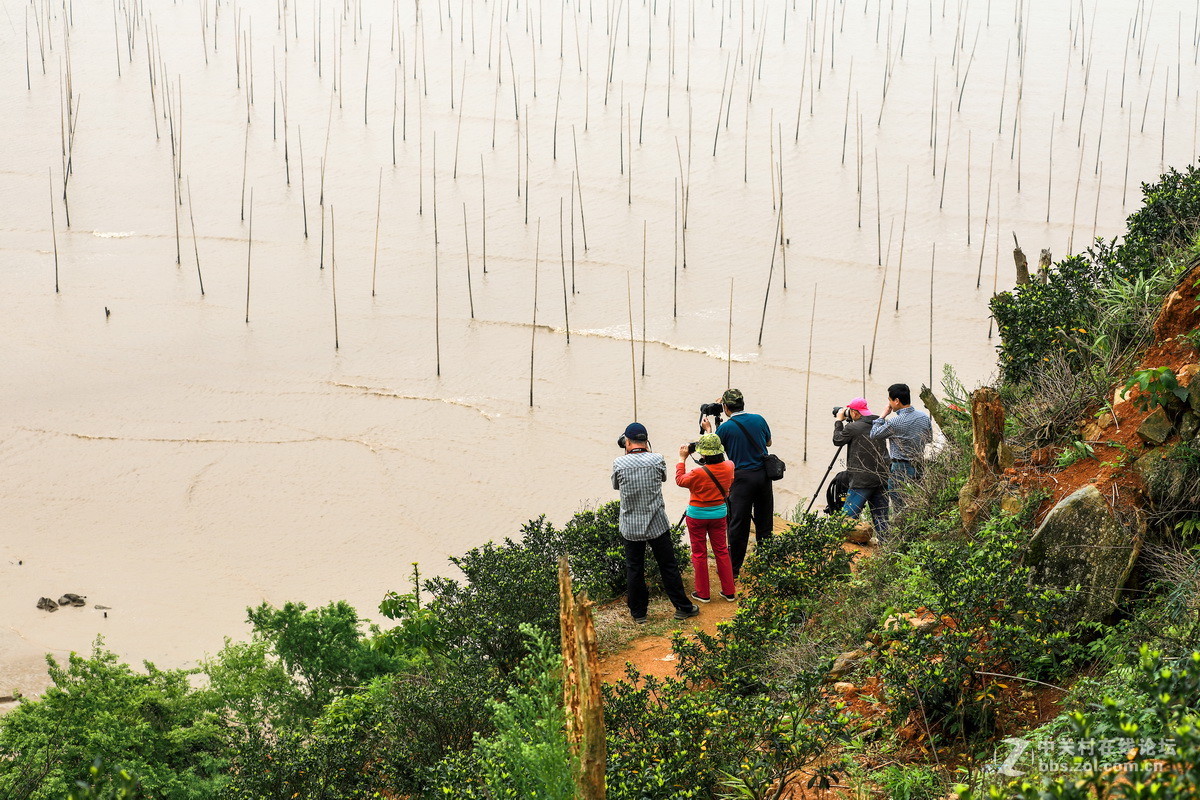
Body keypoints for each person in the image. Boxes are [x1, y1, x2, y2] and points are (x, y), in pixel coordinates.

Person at [611, 422, 700, 624]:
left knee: (634, 568)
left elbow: (616, 485)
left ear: (627, 441)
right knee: (668, 566)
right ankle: (683, 608)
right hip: (657, 523)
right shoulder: (657, 459)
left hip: (631, 527)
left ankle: (639, 614)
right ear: (646, 440)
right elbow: (663, 478)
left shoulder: (618, 463)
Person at [703, 389, 774, 578]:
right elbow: (768, 442)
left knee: (738, 525)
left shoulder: (725, 428)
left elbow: (713, 454)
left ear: (725, 407)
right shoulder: (759, 419)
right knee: (765, 523)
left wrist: (710, 431)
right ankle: (767, 566)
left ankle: (732, 570)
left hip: (742, 479)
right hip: (763, 476)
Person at [675, 433, 736, 604]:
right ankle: (729, 591)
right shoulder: (730, 466)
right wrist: (709, 431)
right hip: (719, 514)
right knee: (722, 551)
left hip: (697, 515)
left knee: (700, 553)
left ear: (703, 454)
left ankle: (703, 594)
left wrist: (682, 459)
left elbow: (680, 480)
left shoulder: (697, 473)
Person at [869, 383, 933, 522]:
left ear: (896, 401)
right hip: (919, 466)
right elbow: (929, 439)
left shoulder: (895, 422)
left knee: (900, 508)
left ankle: (903, 536)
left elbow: (874, 434)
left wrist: (883, 415)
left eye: (889, 400)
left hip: (900, 468)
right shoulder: (924, 417)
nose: (889, 403)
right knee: (918, 503)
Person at [832, 397, 890, 540]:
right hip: (882, 477)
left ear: (855, 413)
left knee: (847, 519)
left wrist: (839, 421)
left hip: (861, 481)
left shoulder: (853, 428)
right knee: (881, 519)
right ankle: (887, 549)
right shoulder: (880, 423)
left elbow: (837, 440)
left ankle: (840, 548)